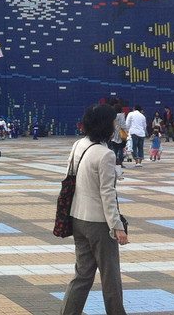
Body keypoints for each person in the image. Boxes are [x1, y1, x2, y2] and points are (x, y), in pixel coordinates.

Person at [60, 103, 128, 315]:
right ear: (106, 125)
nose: (116, 123)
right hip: (98, 222)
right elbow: (107, 194)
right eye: (113, 120)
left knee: (82, 275)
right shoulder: (105, 155)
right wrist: (117, 226)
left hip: (77, 217)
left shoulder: (79, 144)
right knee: (110, 278)